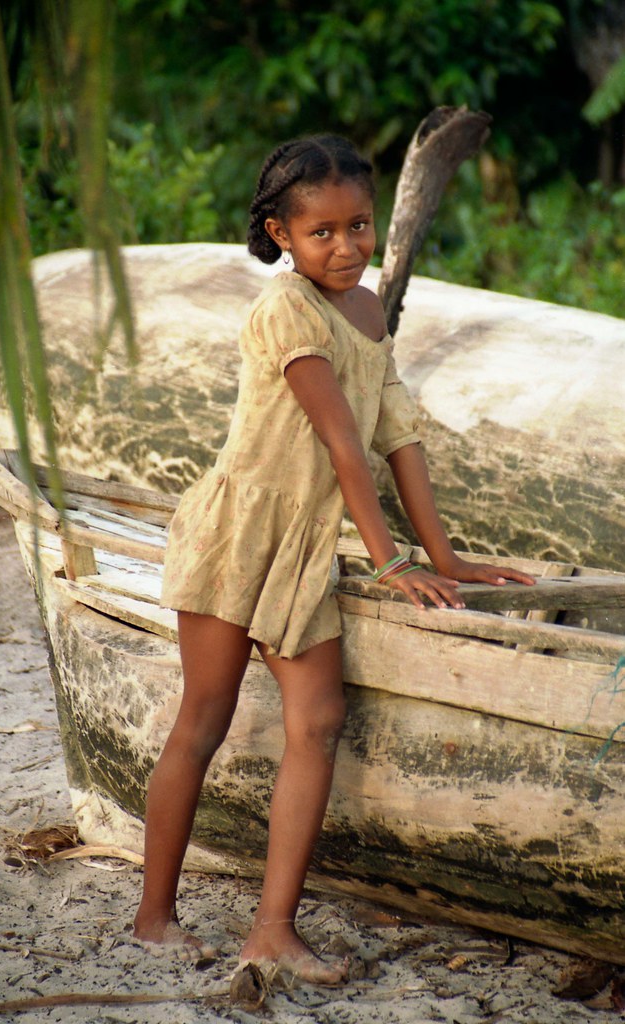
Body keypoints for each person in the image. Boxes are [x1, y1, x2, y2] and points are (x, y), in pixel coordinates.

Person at [132, 134, 534, 984]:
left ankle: (271, 929)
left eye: (358, 226)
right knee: (200, 724)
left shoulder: (367, 311)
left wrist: (445, 557)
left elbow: (395, 434)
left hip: (308, 548)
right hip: (240, 532)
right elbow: (339, 438)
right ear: (280, 232)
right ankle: (152, 917)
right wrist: (391, 565)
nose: (345, 247)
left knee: (315, 723)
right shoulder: (284, 310)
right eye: (322, 232)